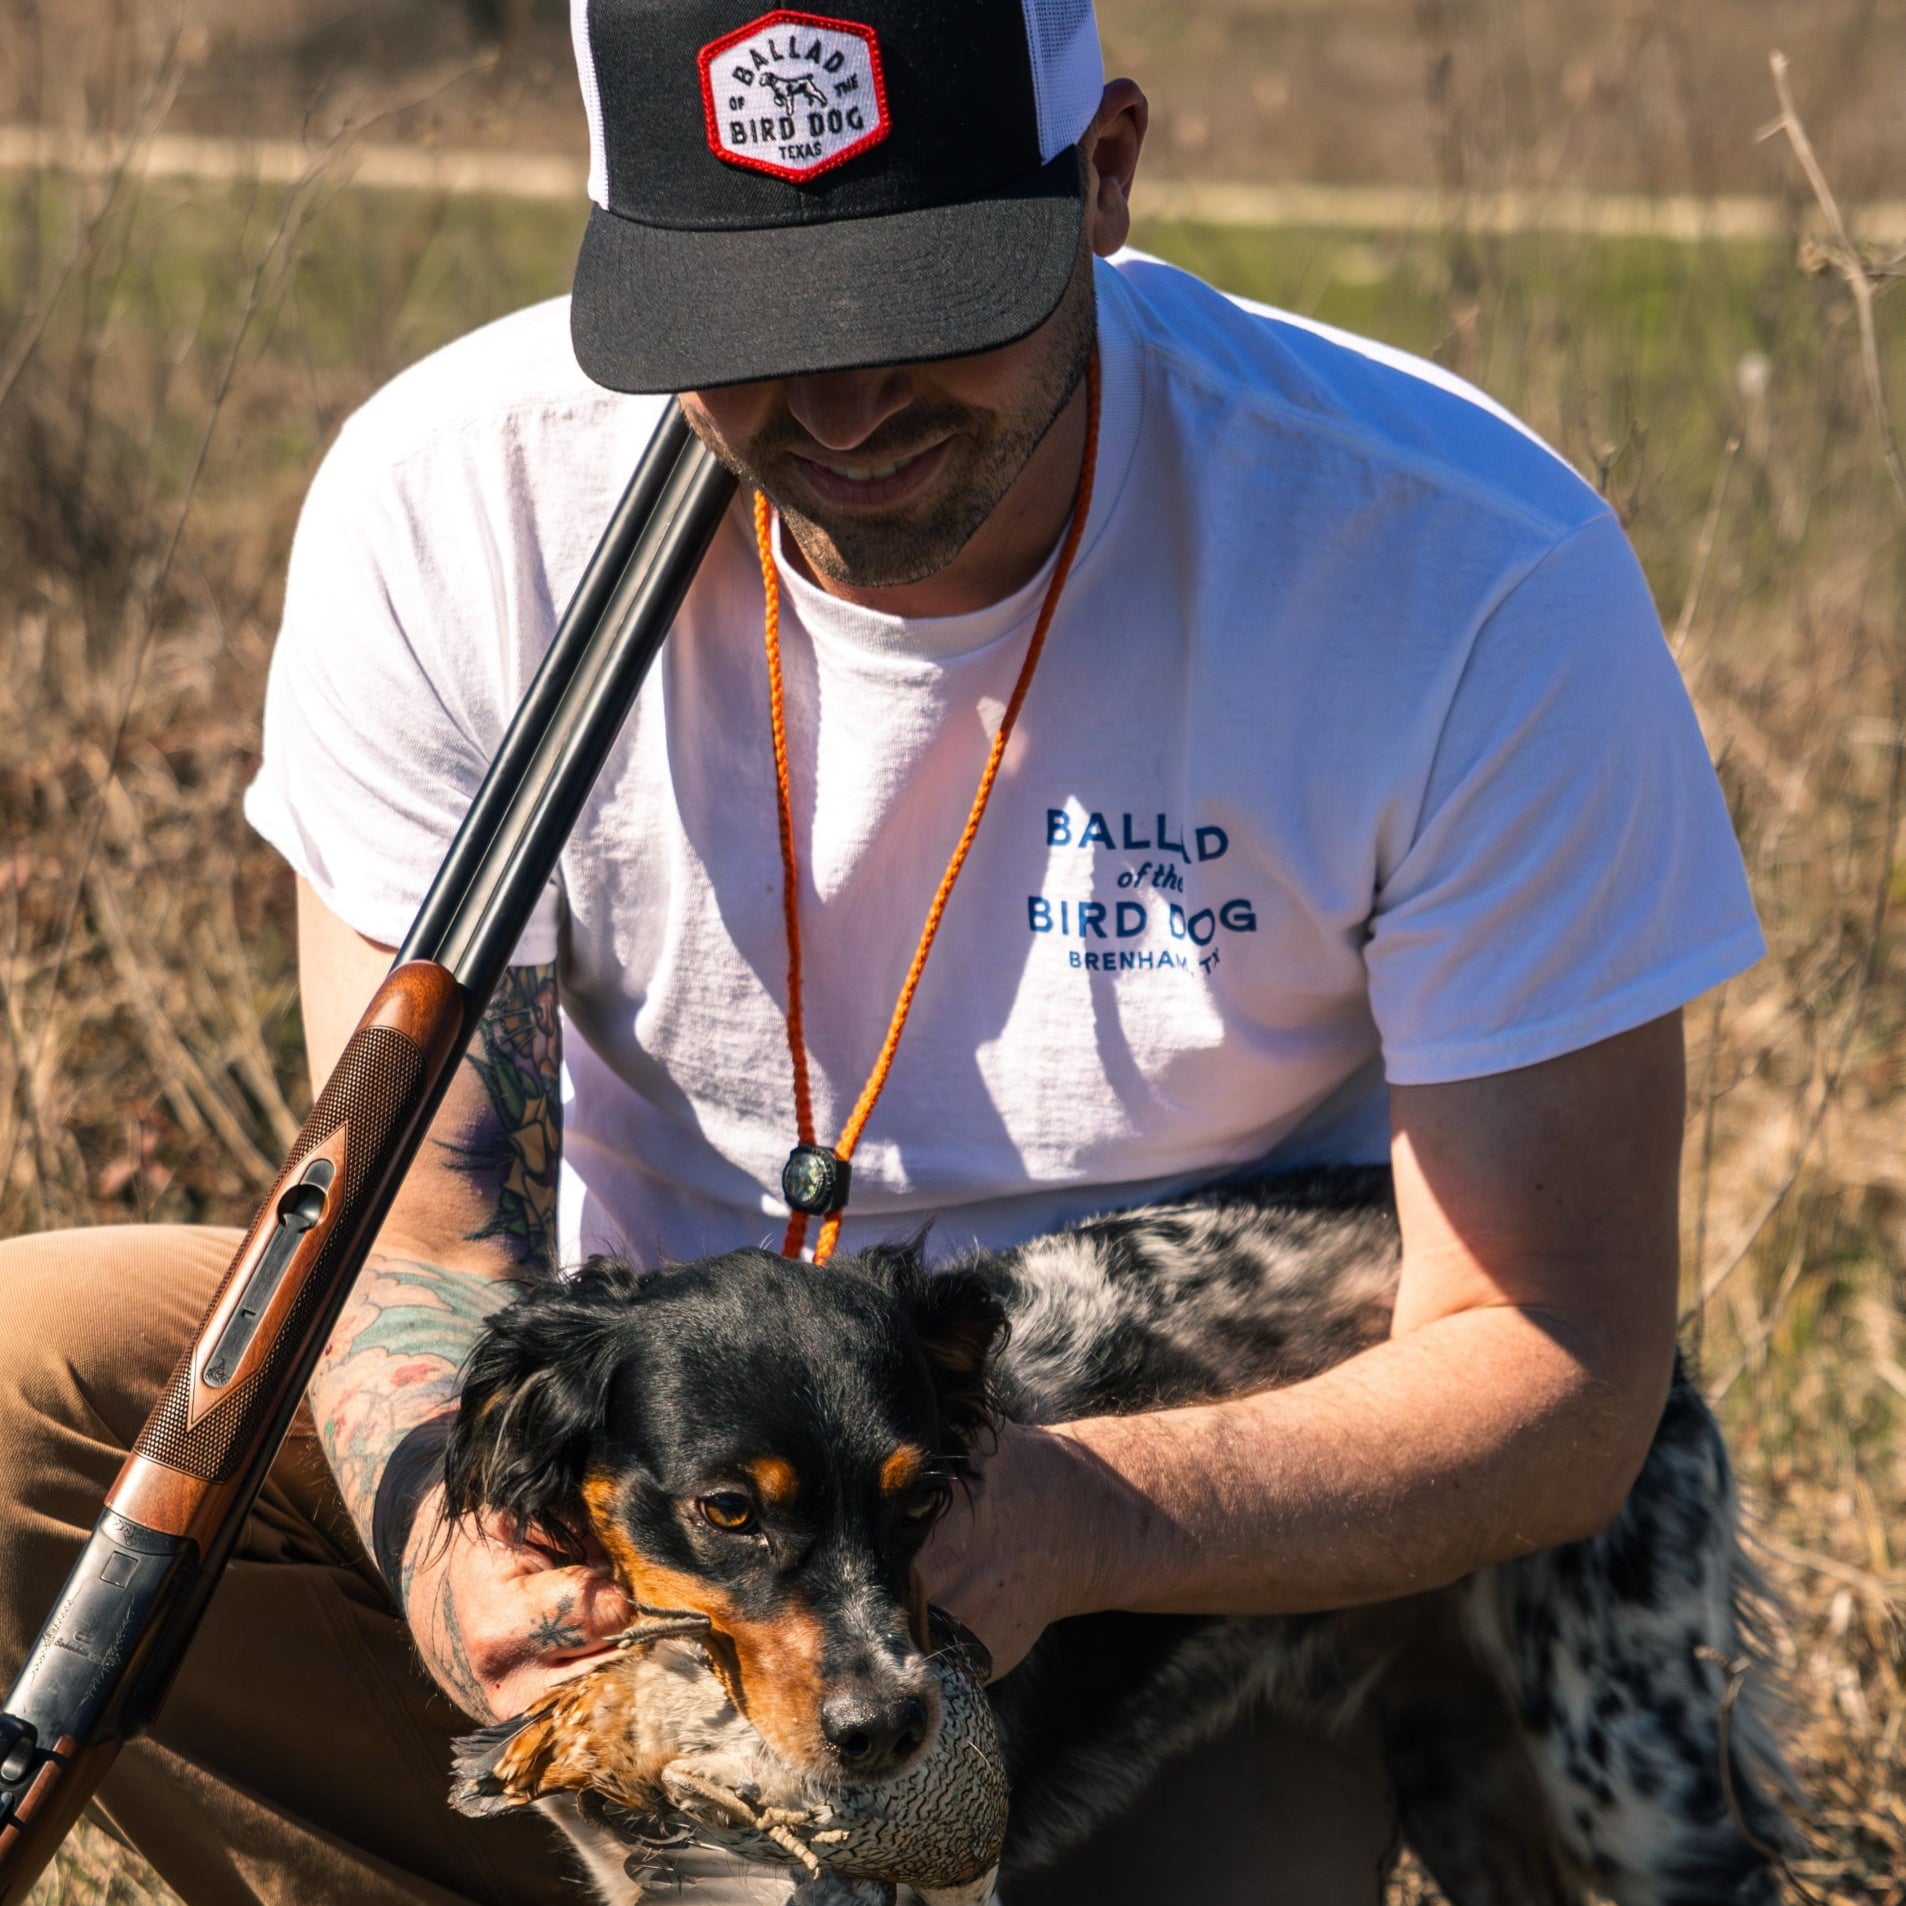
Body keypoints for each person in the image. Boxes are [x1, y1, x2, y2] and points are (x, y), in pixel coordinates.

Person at [0, 1, 1766, 1901]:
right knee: (24, 1374)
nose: (836, 407)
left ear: (1100, 178)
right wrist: (452, 1556)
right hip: (625, 1444)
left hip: (1170, 1543)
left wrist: (1077, 1519)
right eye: (738, 333)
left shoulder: (1451, 565)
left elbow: (1561, 1362)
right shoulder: (458, 497)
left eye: (923, 300)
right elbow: (422, 1236)